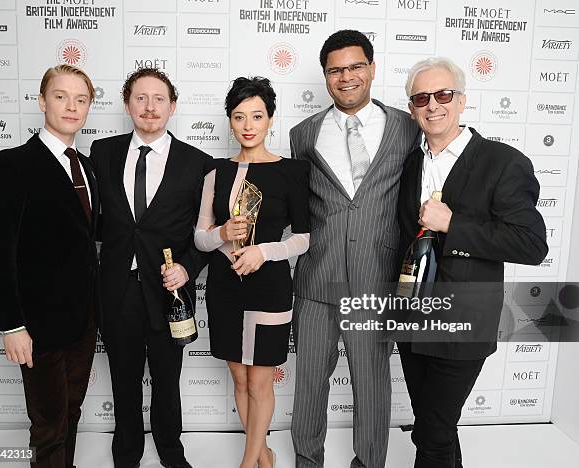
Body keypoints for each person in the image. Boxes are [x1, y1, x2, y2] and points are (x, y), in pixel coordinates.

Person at [396, 57, 548, 468]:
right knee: (435, 427)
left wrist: (453, 225)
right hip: (411, 319)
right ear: (411, 108)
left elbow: (532, 245)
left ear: (462, 100)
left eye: (443, 94)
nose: (433, 105)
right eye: (421, 97)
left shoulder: (503, 161)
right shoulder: (411, 163)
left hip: (464, 322)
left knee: (433, 431)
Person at [289, 29, 420, 468]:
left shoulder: (406, 126)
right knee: (308, 382)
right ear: (326, 76)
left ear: (372, 68)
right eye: (335, 70)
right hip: (316, 277)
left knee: (371, 382)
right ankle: (308, 462)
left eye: (355, 66)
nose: (346, 77)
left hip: (376, 277)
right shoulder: (302, 134)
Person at [179, 76, 310, 468]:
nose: (248, 125)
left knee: (260, 380)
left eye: (257, 115)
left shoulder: (293, 171)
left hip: (269, 286)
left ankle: (248, 462)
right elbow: (200, 238)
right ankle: (262, 454)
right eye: (239, 117)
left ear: (271, 119)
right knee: (239, 379)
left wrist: (265, 252)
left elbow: (304, 238)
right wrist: (222, 232)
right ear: (230, 121)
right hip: (224, 289)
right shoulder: (215, 171)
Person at [90, 68, 211, 468]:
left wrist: (188, 270)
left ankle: (171, 452)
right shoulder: (101, 154)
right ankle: (126, 455)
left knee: (166, 380)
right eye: (140, 98)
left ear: (172, 106)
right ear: (127, 104)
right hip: (116, 290)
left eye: (159, 98)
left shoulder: (198, 164)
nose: (150, 107)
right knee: (123, 381)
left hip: (169, 293)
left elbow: (207, 235)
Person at [0, 64, 98, 467]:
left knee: (71, 412)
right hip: (37, 324)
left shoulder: (87, 167)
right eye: (61, 96)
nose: (71, 106)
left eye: (81, 99)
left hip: (83, 320)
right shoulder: (11, 164)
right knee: (47, 422)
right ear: (42, 100)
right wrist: (11, 324)